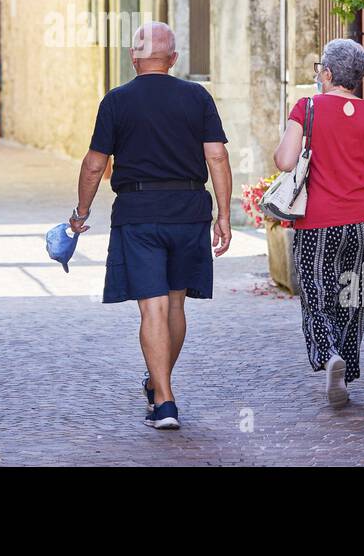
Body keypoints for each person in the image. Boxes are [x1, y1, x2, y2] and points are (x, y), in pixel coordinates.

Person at [70, 22, 232, 430]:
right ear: (173, 59)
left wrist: (81, 213)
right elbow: (216, 157)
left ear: (133, 57)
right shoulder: (197, 97)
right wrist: (225, 216)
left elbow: (94, 164)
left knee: (153, 307)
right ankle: (160, 387)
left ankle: (164, 401)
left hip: (139, 212)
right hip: (189, 210)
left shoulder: (116, 101)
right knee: (175, 305)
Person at [272, 38, 364, 408]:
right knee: (356, 298)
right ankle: (344, 373)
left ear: (328, 73)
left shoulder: (307, 107)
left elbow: (285, 161)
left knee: (318, 294)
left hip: (319, 223)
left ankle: (330, 353)